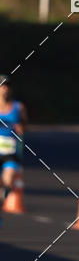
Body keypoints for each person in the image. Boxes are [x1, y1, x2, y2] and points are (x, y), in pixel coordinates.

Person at [0, 75, 27, 225]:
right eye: (2, 86)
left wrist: (20, 129)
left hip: (11, 152)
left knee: (8, 180)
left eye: (7, 86)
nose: (5, 89)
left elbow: (24, 126)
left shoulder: (18, 107)